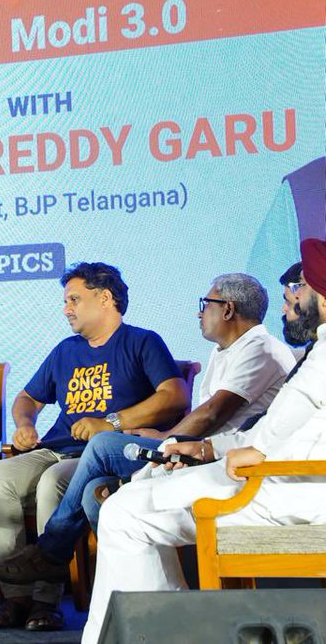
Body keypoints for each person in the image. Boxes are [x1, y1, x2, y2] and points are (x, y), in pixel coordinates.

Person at [80, 239, 326, 644]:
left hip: (285, 489)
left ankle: (162, 633)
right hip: (275, 477)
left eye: (302, 288)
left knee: (125, 511)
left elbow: (269, 440)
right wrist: (207, 450)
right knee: (139, 488)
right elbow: (275, 432)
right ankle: (163, 629)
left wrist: (234, 454)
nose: (295, 297)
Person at [0, 272, 295, 587]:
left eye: (206, 304)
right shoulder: (224, 351)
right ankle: (137, 596)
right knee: (95, 498)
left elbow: (210, 412)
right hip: (195, 454)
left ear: (227, 309)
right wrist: (25, 424)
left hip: (223, 461)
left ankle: (50, 554)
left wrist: (161, 437)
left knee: (102, 445)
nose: (200, 312)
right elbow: (29, 397)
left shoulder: (259, 349)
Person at [0, 262, 188, 632]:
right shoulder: (66, 350)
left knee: (51, 483)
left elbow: (174, 396)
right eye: (65, 301)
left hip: (96, 456)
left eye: (74, 299)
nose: (66, 309)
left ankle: (46, 600)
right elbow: (28, 397)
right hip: (53, 447)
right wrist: (25, 424)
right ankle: (16, 598)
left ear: (105, 298)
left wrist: (112, 423)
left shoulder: (142, 341)